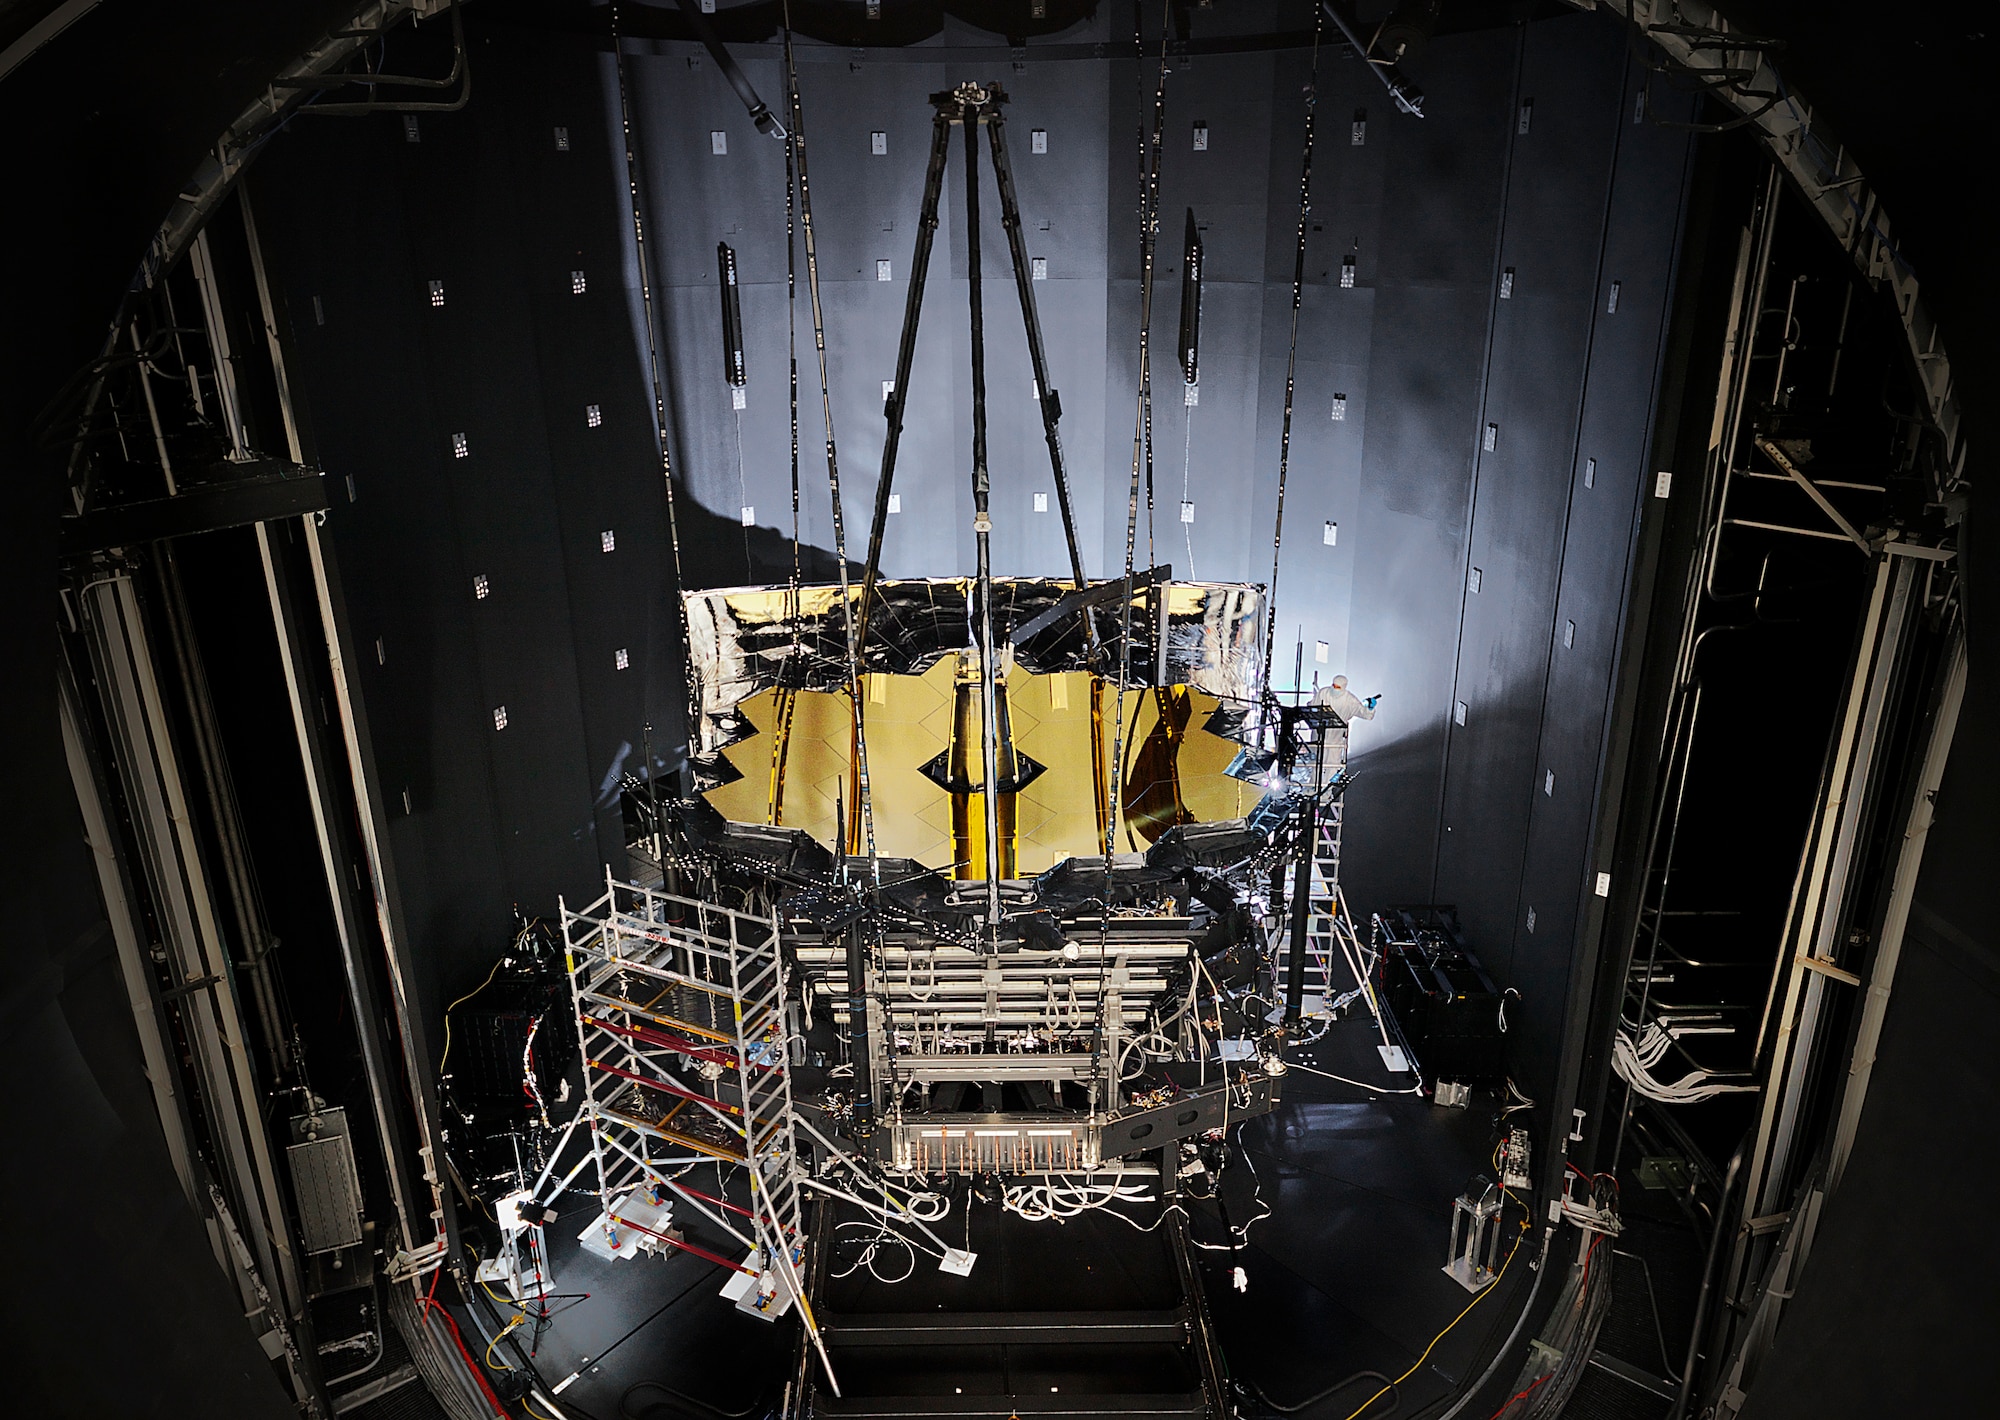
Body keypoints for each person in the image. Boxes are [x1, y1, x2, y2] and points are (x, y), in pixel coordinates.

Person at [1314, 674, 1379, 724]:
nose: (1334, 688)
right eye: (1333, 685)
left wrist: (1370, 709)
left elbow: (1363, 713)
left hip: (1336, 738)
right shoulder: (1323, 692)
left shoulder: (1349, 699)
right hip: (1318, 733)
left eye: (1338, 687)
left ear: (1343, 687)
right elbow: (1312, 707)